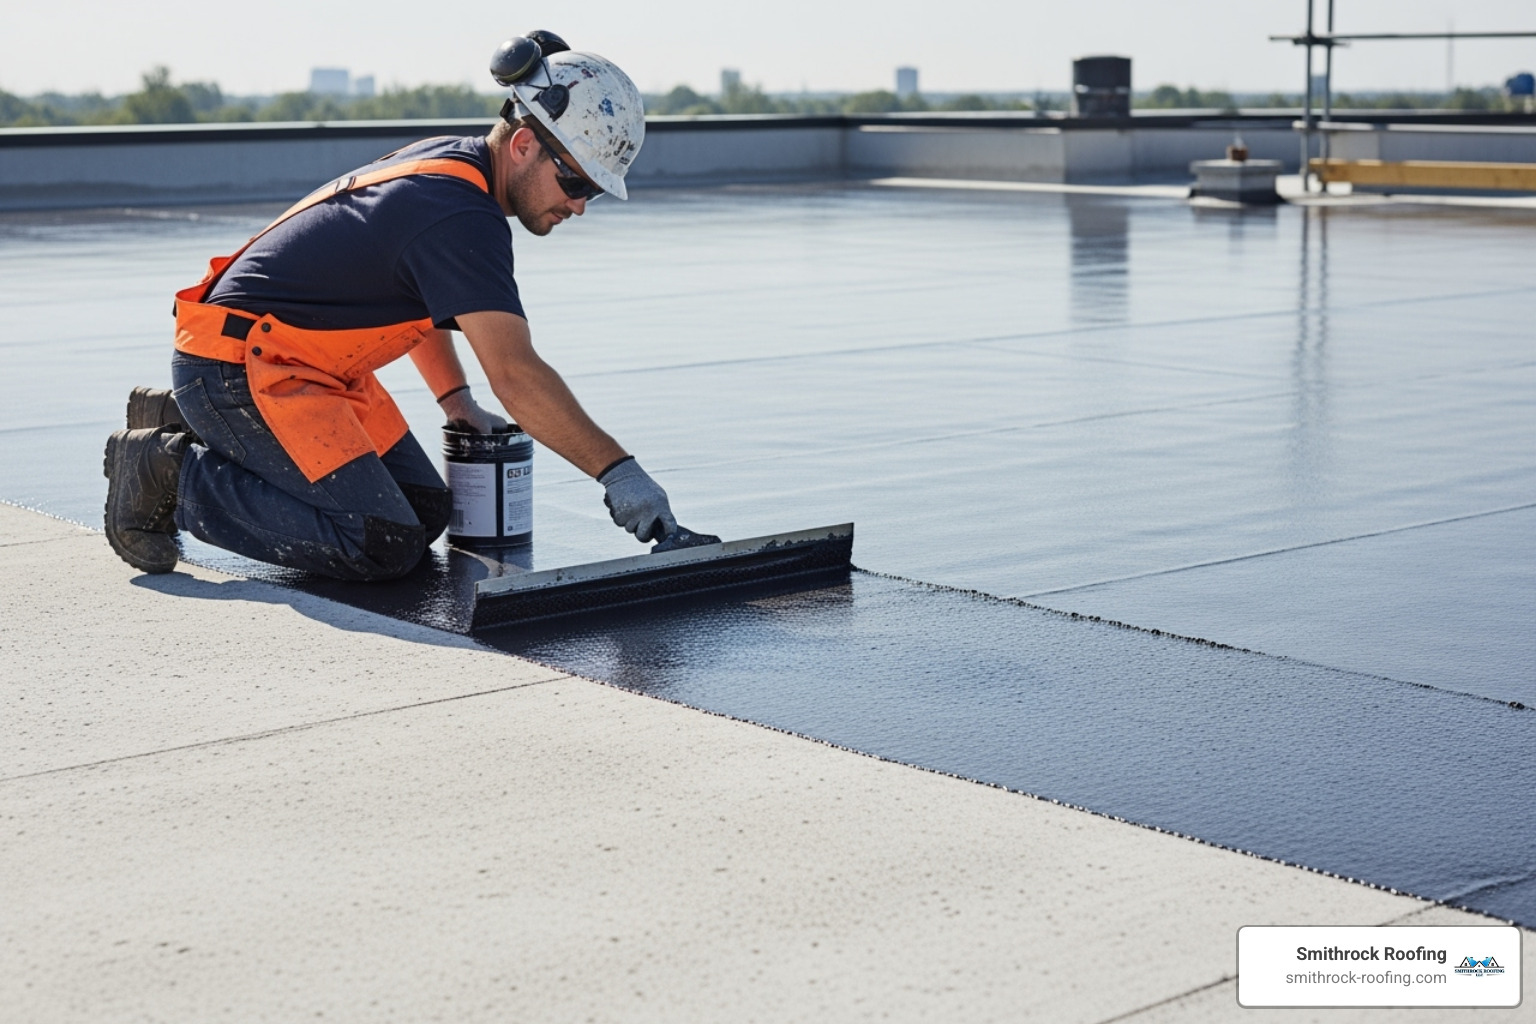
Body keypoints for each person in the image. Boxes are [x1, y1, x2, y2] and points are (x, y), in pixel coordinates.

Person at [103, 40, 679, 580]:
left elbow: (420, 298)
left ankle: (187, 420)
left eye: (595, 192)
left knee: (424, 512)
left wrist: (456, 404)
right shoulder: (460, 216)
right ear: (525, 144)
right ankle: (168, 477)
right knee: (380, 542)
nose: (579, 206)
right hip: (238, 367)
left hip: (304, 366)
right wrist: (617, 472)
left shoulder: (458, 174)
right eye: (575, 181)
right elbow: (516, 375)